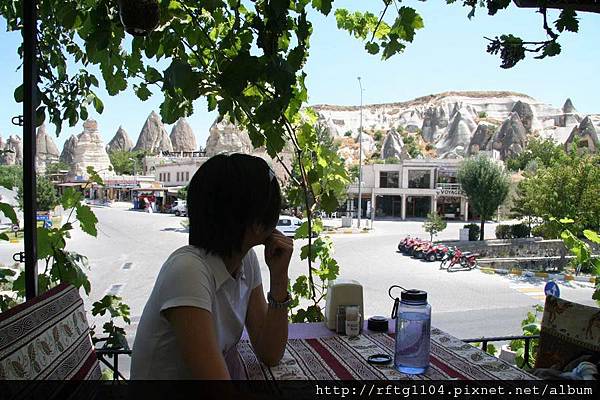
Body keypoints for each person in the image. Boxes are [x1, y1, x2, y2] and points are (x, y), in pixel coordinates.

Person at [130, 153, 292, 379]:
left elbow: (270, 353)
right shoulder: (187, 271)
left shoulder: (245, 260)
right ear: (256, 224)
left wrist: (279, 278)